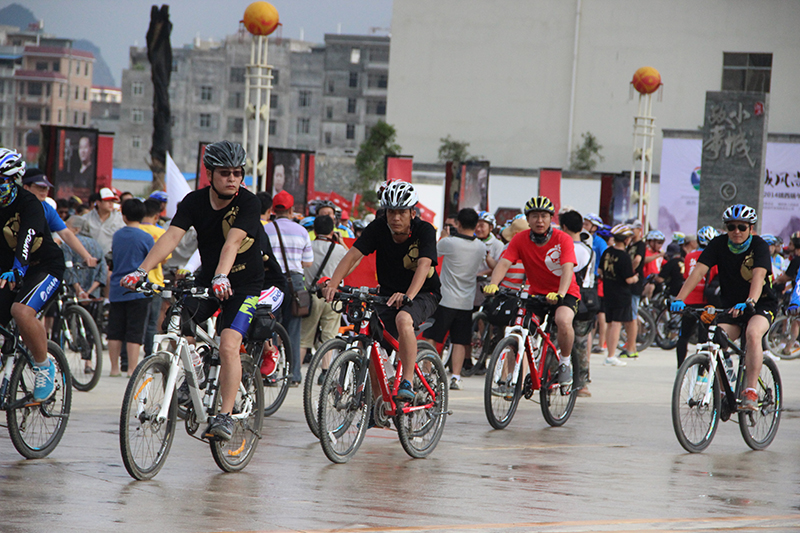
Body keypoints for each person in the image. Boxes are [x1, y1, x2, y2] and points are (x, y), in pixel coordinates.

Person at [122, 140, 265, 440]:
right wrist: (141, 270)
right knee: (176, 323)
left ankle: (224, 415)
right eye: (225, 173)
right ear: (209, 174)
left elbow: (233, 243)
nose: (233, 179)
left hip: (244, 284)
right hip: (209, 279)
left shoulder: (249, 203)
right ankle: (194, 371)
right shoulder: (193, 202)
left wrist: (222, 276)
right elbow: (171, 238)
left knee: (228, 345)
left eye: (238, 173)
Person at [323, 181, 441, 403]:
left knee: (404, 318)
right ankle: (378, 406)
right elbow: (353, 256)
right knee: (366, 344)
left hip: (423, 293)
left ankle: (407, 381)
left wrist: (408, 296)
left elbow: (424, 265)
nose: (396, 218)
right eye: (391, 212)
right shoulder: (378, 227)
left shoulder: (424, 231)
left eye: (401, 213)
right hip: (387, 294)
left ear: (412, 213)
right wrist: (333, 284)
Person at [672, 204, 777, 411]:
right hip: (731, 306)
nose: (736, 231)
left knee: (753, 333)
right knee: (715, 339)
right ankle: (722, 392)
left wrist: (750, 302)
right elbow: (697, 273)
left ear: (750, 228)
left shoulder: (759, 246)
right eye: (731, 227)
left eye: (741, 227)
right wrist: (679, 299)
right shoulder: (718, 244)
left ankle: (751, 391)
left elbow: (758, 277)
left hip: (760, 303)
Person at [484, 196, 579, 388]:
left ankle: (565, 362)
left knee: (562, 320)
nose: (539, 220)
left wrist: (560, 293)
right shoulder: (520, 239)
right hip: (536, 293)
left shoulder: (563, 239)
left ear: (551, 218)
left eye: (544, 216)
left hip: (564, 292)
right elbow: (504, 263)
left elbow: (568, 269)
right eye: (534, 216)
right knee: (519, 327)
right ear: (528, 219)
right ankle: (514, 374)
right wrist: (494, 283)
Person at [0, 149, 66, 401]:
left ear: (13, 180)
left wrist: (18, 268)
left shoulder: (30, 204)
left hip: (44, 267)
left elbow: (26, 239)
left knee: (21, 311)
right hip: (10, 270)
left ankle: (44, 366)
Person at [422, 208, 485, 390]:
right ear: (475, 225)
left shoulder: (449, 243)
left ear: (458, 223)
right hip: (466, 302)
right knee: (459, 341)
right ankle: (456, 377)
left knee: (432, 337)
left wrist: (442, 236)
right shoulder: (480, 246)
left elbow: (432, 253)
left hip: (445, 299)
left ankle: (427, 372)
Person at [265, 189, 313, 386]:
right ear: (292, 210)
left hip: (271, 281)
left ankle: (271, 372)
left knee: (270, 326)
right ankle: (293, 375)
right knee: (293, 329)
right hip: (295, 282)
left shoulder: (266, 230)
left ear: (273, 210)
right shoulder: (302, 231)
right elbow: (308, 263)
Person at [108, 200, 153, 377]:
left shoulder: (117, 235)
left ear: (123, 216)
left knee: (115, 329)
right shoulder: (146, 237)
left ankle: (114, 369)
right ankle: (132, 369)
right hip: (138, 289)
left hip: (117, 287)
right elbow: (152, 259)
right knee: (135, 330)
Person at [299, 215, 348, 379]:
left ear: (314, 230)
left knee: (304, 336)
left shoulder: (307, 246)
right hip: (333, 297)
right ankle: (325, 372)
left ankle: (296, 373)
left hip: (311, 296)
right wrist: (340, 241)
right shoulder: (339, 250)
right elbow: (353, 260)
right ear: (332, 231)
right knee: (329, 335)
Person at [21, 168, 98, 269]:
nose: (44, 191)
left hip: (38, 263)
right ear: (26, 187)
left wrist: (87, 256)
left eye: (46, 188)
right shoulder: (14, 206)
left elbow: (66, 233)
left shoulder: (47, 209)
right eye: (40, 187)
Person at [560, 210, 596, 397]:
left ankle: (554, 378)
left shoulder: (564, 249)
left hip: (566, 298)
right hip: (586, 301)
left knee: (558, 338)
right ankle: (582, 384)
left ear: (564, 227)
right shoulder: (588, 250)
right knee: (581, 343)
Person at [674, 225, 719, 367]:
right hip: (706, 301)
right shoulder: (715, 257)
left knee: (684, 335)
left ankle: (680, 367)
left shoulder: (689, 256)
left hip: (689, 300)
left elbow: (687, 276)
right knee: (704, 337)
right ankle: (702, 371)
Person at [599, 224, 639, 366]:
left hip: (608, 291)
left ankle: (609, 354)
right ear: (626, 240)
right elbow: (629, 279)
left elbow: (600, 271)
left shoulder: (607, 252)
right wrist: (636, 278)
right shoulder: (624, 256)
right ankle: (611, 356)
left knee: (610, 323)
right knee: (617, 324)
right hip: (621, 294)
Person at [139, 198, 171, 357]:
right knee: (153, 321)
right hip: (156, 281)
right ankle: (150, 353)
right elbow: (165, 258)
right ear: (157, 216)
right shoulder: (161, 233)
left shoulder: (136, 229)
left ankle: (125, 357)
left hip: (138, 282)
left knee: (137, 321)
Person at [62, 215, 107, 301]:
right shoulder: (97, 245)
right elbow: (103, 271)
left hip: (73, 295)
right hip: (93, 295)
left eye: (66, 227)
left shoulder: (68, 245)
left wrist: (80, 291)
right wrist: (89, 292)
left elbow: (68, 269)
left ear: (76, 229)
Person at [623, 219, 646, 358]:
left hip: (636, 282)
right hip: (629, 283)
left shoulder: (640, 245)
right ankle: (629, 345)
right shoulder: (630, 244)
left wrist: (629, 270)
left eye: (633, 229)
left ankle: (632, 347)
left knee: (632, 316)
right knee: (628, 316)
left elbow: (638, 259)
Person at [84, 187, 125, 257]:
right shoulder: (86, 218)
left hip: (112, 259)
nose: (111, 203)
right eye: (107, 201)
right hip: (90, 258)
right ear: (98, 203)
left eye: (112, 201)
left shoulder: (120, 219)